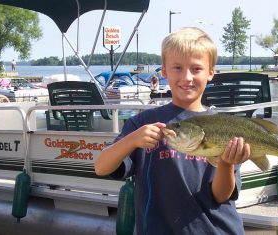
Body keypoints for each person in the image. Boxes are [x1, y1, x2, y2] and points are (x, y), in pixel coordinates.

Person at [94, 27, 250, 234]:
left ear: (211, 72)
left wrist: (227, 163)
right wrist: (131, 140)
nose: (187, 77)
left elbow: (221, 196)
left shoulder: (227, 129)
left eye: (196, 69)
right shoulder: (141, 123)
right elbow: (101, 167)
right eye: (177, 68)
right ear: (164, 71)